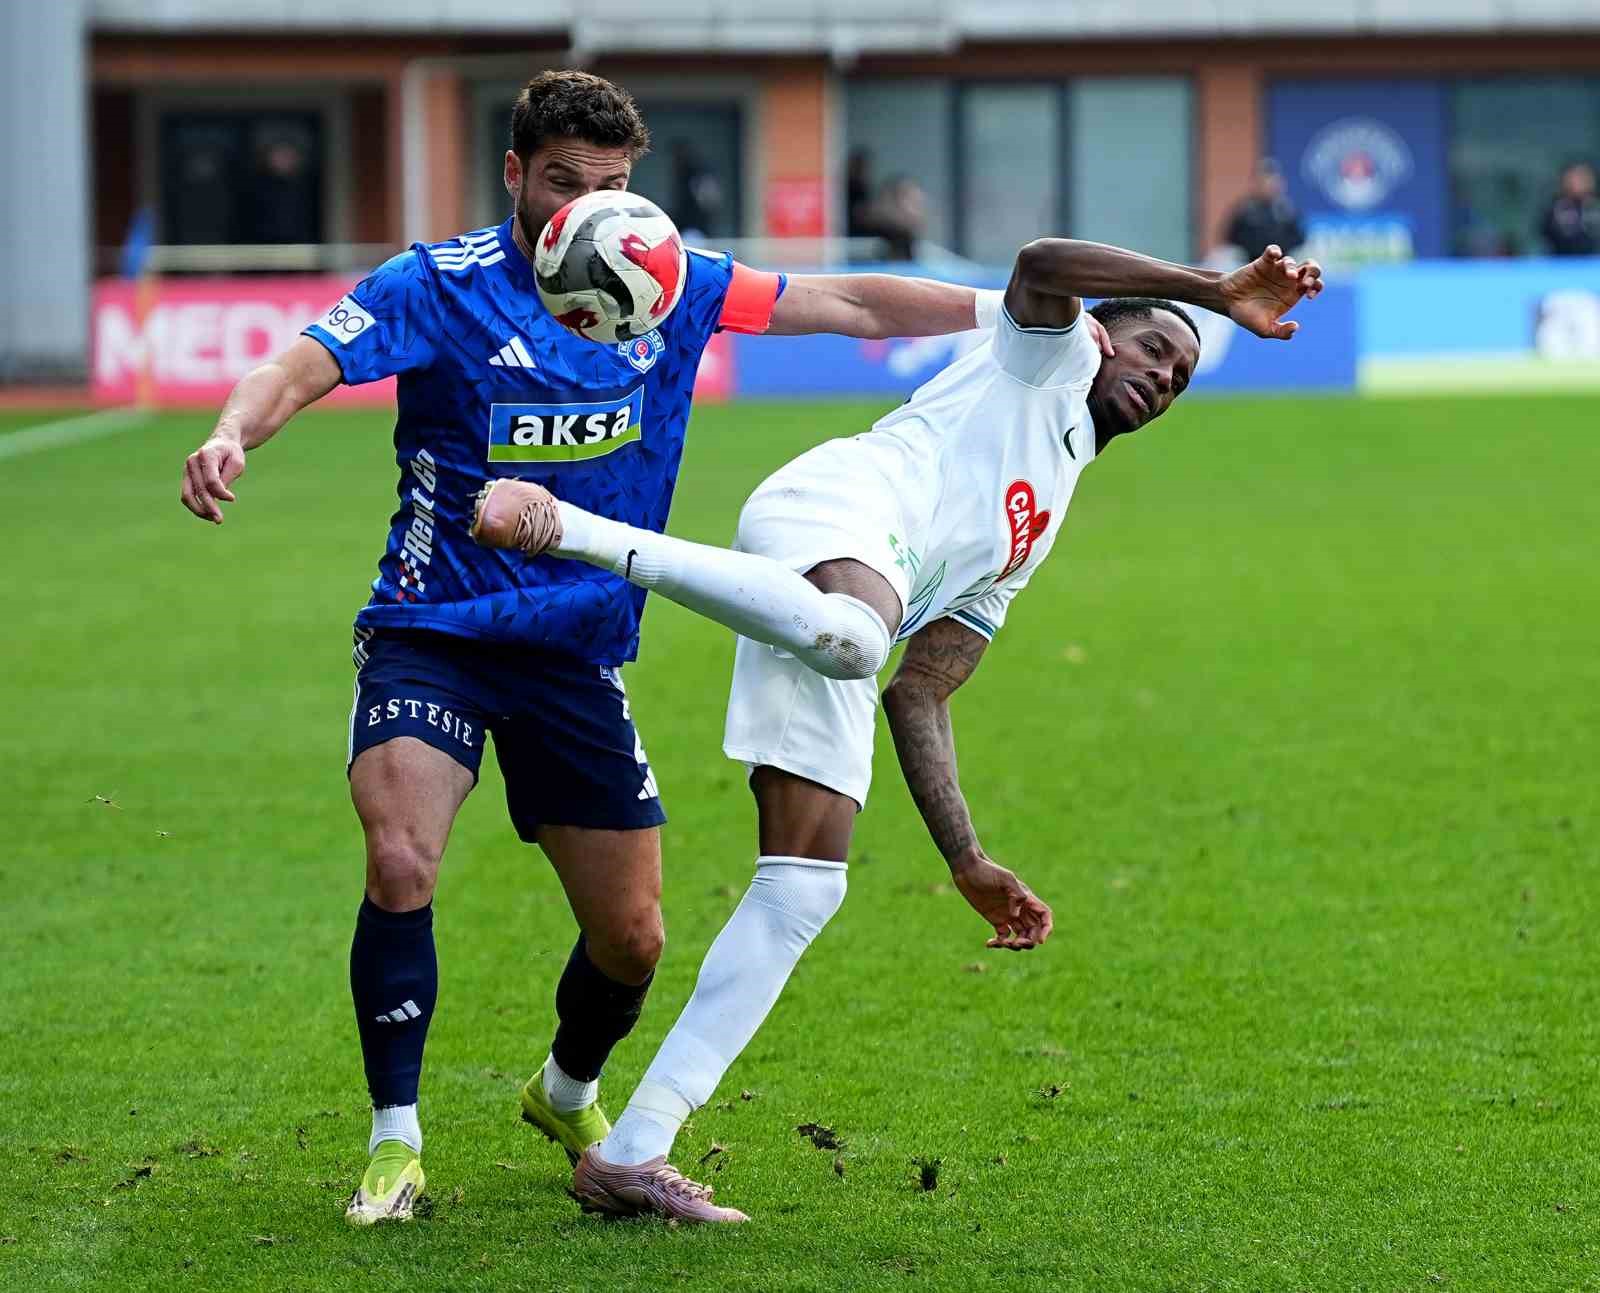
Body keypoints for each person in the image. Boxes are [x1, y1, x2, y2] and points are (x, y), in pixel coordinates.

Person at [178, 69, 997, 1227]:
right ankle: (394, 1142)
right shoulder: (439, 287)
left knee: (632, 937)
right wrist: (229, 432)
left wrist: (1005, 308)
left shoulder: (667, 280)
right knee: (402, 858)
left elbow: (849, 305)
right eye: (564, 183)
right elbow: (302, 364)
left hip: (575, 651)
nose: (590, 207)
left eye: (611, 184)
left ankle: (564, 1093)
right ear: (515, 174)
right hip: (435, 630)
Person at [472, 238, 1324, 1221]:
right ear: (1102, 333)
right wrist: (1208, 293)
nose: (1162, 376)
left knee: (802, 888)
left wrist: (965, 859)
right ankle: (565, 527)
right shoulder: (1042, 355)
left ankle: (633, 1148)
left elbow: (921, 692)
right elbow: (1043, 259)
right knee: (848, 636)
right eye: (1151, 349)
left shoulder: (1038, 522)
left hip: (847, 613)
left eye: (1178, 375)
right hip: (828, 515)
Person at [1223, 159, 1305, 261]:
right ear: (1256, 184)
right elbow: (1231, 239)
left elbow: (1299, 239)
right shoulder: (1245, 211)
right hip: (1250, 265)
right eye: (1265, 181)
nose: (1270, 186)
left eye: (1274, 181)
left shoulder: (1286, 211)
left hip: (1282, 264)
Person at [1540, 162, 1600, 257]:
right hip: (1562, 263)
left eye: (1582, 178)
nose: (1577, 182)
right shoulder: (1556, 207)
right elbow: (1545, 234)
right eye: (1574, 178)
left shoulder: (1595, 207)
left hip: (1593, 263)